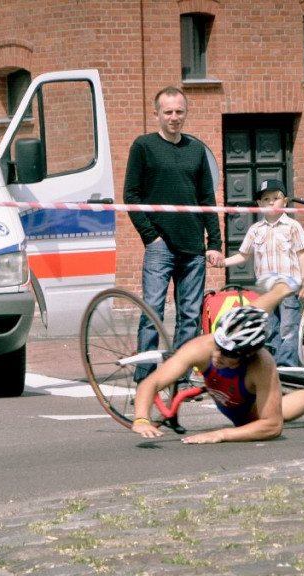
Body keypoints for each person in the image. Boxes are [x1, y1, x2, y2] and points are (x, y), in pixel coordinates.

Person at [131, 279, 304, 445]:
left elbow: (272, 426)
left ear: (245, 356)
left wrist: (221, 434)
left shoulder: (261, 364)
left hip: (246, 406)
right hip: (231, 375)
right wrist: (141, 418)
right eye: (219, 348)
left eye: (226, 355)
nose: (217, 356)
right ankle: (281, 288)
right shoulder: (206, 346)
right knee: (244, 318)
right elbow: (150, 383)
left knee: (273, 412)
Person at [124, 86, 223, 391]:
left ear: (185, 113)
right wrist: (150, 237)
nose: (174, 117)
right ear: (157, 114)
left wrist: (215, 243)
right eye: (168, 111)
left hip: (193, 246)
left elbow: (207, 198)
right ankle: (144, 375)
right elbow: (131, 196)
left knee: (190, 315)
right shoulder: (143, 146)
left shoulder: (195, 150)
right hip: (160, 247)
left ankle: (181, 378)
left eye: (179, 111)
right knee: (153, 309)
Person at [223, 179, 304, 367]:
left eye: (276, 198)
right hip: (267, 290)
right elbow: (243, 255)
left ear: (285, 201)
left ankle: (287, 364)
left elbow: (302, 254)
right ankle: (273, 365)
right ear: (259, 204)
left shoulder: (293, 227)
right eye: (266, 199)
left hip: (289, 288)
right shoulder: (255, 230)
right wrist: (222, 262)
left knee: (288, 327)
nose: (271, 202)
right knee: (269, 327)